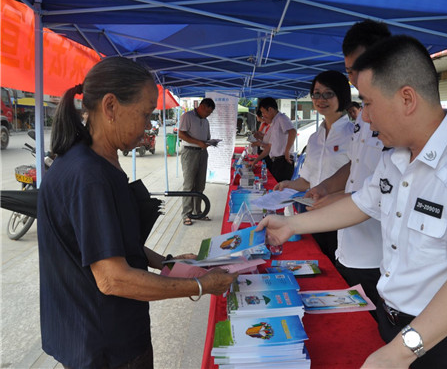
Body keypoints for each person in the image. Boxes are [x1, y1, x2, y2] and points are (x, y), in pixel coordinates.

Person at [258, 35, 447, 368]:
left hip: (444, 341)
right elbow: (361, 203)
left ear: (406, 98)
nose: (364, 117)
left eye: (368, 102)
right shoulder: (396, 157)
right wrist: (291, 224)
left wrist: (400, 352)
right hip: (392, 323)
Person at [37, 57, 237, 369]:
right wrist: (200, 286)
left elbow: (105, 242)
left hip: (92, 335)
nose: (148, 126)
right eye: (144, 114)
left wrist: (166, 263)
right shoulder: (89, 176)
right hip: (107, 346)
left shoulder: (89, 162)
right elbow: (113, 279)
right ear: (111, 107)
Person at [305, 19, 390, 311]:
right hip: (348, 243)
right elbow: (355, 171)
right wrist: (326, 190)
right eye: (349, 71)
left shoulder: (391, 123)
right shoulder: (365, 119)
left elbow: (374, 197)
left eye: (356, 70)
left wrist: (295, 222)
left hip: (376, 254)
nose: (353, 78)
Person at [274, 70, 354, 264]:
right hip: (314, 215)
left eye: (328, 93)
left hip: (344, 219)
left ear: (341, 95)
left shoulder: (354, 134)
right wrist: (287, 184)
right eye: (316, 94)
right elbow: (307, 180)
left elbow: (359, 180)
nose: (321, 99)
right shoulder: (314, 138)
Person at [179, 97, 215, 225]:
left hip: (202, 153)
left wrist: (209, 143)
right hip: (189, 152)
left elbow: (206, 138)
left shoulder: (205, 121)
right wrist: (198, 142)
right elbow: (181, 134)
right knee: (189, 185)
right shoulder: (187, 116)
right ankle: (186, 214)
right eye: (208, 112)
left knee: (200, 185)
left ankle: (198, 212)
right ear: (202, 107)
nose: (208, 115)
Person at [250, 97, 297, 182]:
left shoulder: (281, 118)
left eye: (264, 112)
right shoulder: (274, 123)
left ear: (270, 109)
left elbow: (293, 132)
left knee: (281, 190)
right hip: (277, 162)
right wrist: (256, 161)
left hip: (283, 161)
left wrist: (287, 151)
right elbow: (268, 147)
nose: (263, 116)